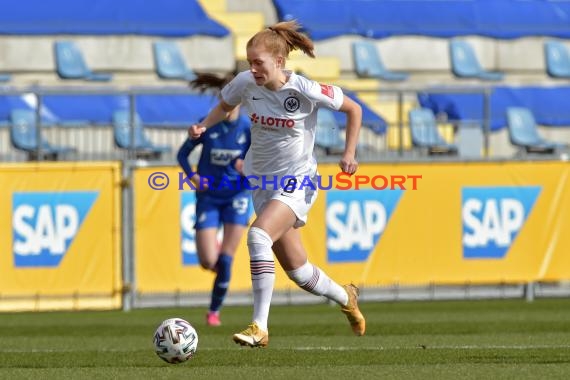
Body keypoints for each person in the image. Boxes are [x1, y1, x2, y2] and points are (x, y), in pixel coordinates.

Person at [188, 20, 365, 347]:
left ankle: (260, 327)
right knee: (298, 271)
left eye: (259, 63)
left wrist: (349, 152)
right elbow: (224, 105)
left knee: (257, 236)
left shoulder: (303, 89)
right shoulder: (245, 82)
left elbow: (354, 109)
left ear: (279, 62)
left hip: (297, 180)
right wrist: (203, 126)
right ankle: (346, 297)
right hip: (262, 183)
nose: (253, 68)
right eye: (250, 61)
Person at [177, 72, 252, 326]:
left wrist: (249, 165)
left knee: (227, 258)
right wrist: (192, 176)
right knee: (208, 261)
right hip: (208, 197)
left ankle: (214, 312)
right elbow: (182, 154)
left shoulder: (248, 130)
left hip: (237, 196)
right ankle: (220, 263)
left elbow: (263, 161)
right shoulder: (206, 125)